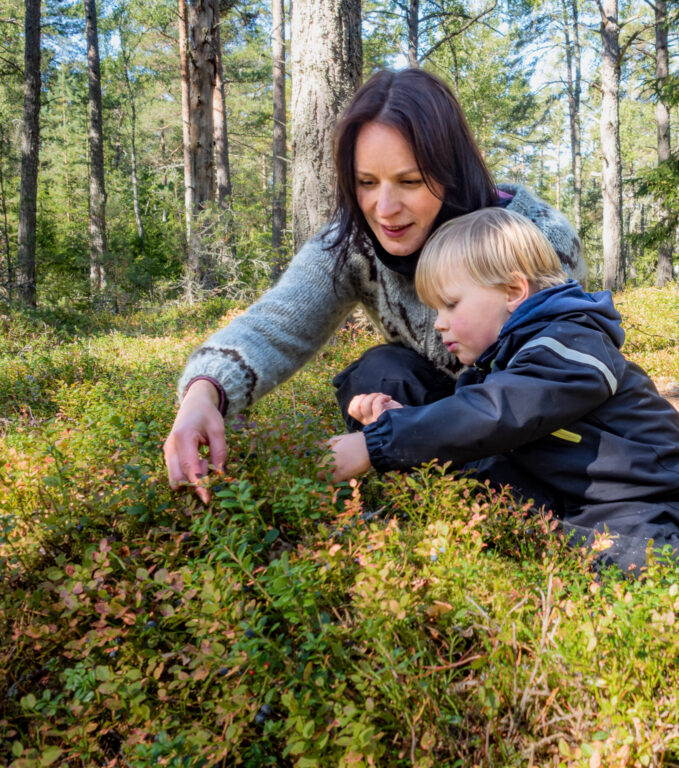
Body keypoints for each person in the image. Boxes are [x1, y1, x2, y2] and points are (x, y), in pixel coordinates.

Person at [163, 69, 584, 503]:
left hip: (526, 419)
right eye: (366, 183)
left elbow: (547, 387)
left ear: (451, 173)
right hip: (426, 417)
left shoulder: (534, 238)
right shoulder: (352, 244)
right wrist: (203, 392)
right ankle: (414, 513)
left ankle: (500, 513)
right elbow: (273, 325)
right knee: (382, 372)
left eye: (410, 181)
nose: (384, 209)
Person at [328, 208, 679, 573]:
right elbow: (477, 436)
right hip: (573, 502)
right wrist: (401, 421)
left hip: (647, 504)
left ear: (514, 291)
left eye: (450, 305)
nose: (439, 324)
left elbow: (499, 411)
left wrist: (377, 444)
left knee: (633, 567)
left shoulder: (572, 341)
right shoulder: (499, 362)